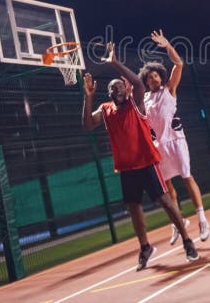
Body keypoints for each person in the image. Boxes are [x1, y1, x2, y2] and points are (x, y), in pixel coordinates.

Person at [82, 42, 199, 271]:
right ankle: (145, 247)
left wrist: (115, 63)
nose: (118, 90)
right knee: (134, 207)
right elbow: (87, 124)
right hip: (126, 168)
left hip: (146, 162)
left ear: (127, 90)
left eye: (120, 87)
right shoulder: (106, 111)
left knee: (165, 201)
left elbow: (137, 82)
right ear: (109, 94)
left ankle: (187, 239)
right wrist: (88, 97)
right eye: (113, 88)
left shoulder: (136, 104)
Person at [139, 29, 210, 245]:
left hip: (176, 141)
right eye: (149, 77)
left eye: (155, 75)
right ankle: (178, 223)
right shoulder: (145, 99)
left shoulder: (169, 89)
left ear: (160, 76)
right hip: (158, 146)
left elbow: (179, 64)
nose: (153, 79)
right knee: (167, 187)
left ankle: (202, 219)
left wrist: (167, 45)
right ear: (146, 81)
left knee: (187, 178)